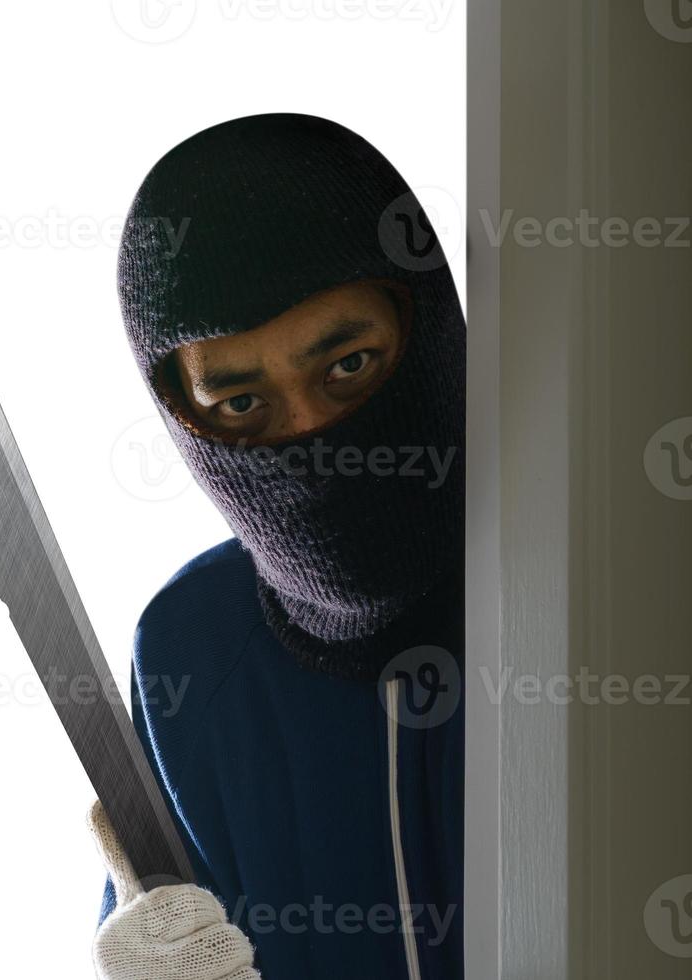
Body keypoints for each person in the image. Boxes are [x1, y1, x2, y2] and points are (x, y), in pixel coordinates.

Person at [89, 113, 465, 980]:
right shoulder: (193, 648)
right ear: (183, 418)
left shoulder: (599, 566)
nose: (313, 438)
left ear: (430, 323)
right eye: (242, 407)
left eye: (348, 367)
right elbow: (170, 917)